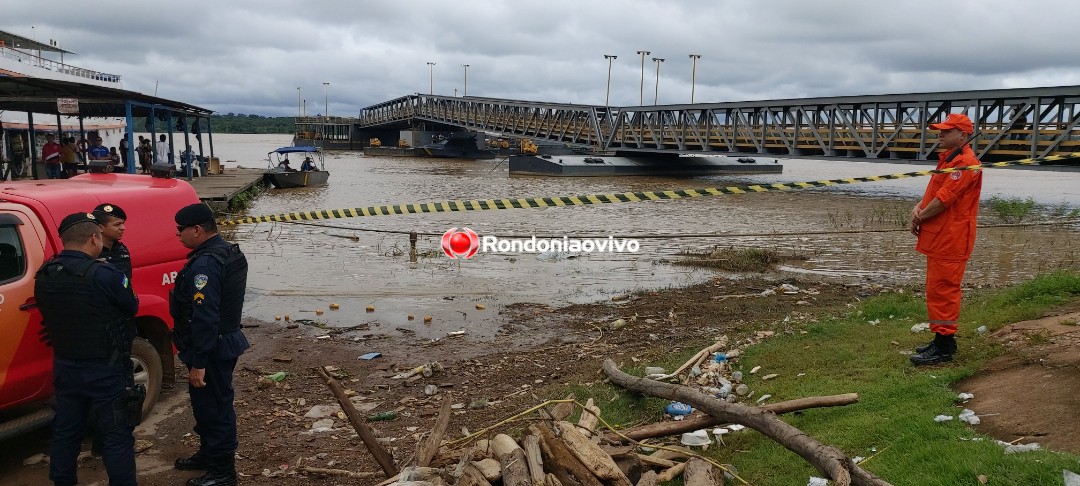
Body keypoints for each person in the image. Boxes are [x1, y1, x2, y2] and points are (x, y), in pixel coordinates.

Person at [34, 212, 139, 486]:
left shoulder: (45, 274)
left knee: (66, 433)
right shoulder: (105, 273)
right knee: (117, 435)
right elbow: (131, 306)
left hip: (66, 366)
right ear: (95, 238)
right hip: (106, 367)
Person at [170, 203, 249, 486]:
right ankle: (208, 454)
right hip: (219, 342)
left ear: (197, 230)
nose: (177, 235)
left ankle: (223, 473)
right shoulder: (227, 251)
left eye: (180, 230)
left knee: (215, 408)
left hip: (210, 348)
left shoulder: (205, 263)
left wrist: (199, 362)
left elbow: (205, 316)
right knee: (205, 405)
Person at [908, 113, 983, 366]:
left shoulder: (965, 163)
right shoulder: (949, 160)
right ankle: (940, 339)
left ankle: (945, 346)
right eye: (940, 130)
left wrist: (919, 218)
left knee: (944, 290)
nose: (940, 135)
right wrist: (918, 207)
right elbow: (935, 193)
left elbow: (943, 200)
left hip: (952, 238)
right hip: (941, 236)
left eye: (946, 131)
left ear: (962, 135)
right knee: (936, 289)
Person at [93, 203, 132, 280]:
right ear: (100, 228)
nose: (123, 228)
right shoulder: (91, 253)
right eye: (117, 224)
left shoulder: (122, 250)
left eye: (123, 223)